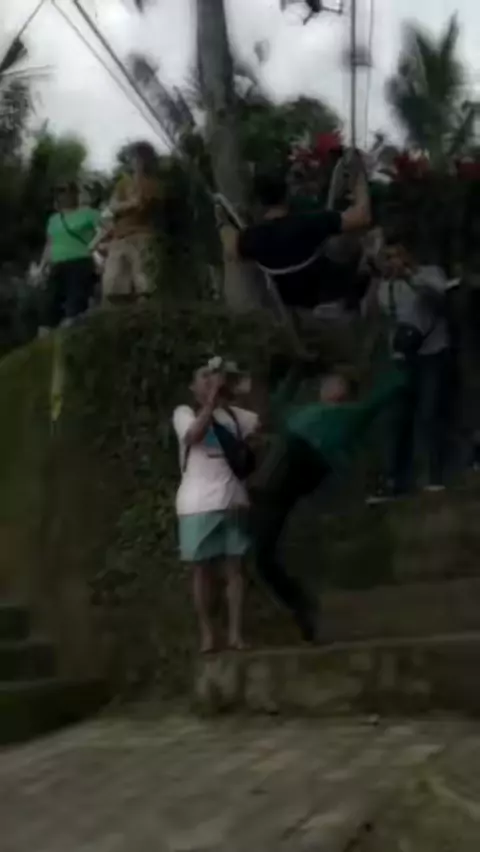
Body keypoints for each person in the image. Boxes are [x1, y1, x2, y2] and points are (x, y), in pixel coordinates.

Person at [251, 362, 406, 642]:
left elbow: (383, 395)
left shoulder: (351, 414)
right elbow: (279, 405)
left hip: (309, 463)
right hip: (279, 480)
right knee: (261, 556)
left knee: (289, 445)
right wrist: (296, 372)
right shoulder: (301, 413)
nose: (326, 386)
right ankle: (301, 606)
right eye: (325, 382)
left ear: (346, 392)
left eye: (334, 382)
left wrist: (404, 366)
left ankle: (259, 486)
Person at [173, 359, 259, 653]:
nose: (211, 380)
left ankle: (236, 634)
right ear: (192, 386)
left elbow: (259, 425)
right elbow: (193, 435)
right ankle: (207, 634)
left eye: (214, 376)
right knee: (202, 571)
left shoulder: (235, 415)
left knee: (235, 569)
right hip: (197, 503)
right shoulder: (183, 413)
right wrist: (211, 401)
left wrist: (234, 385)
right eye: (204, 377)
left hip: (233, 501)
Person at [368, 236, 455, 500]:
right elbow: (385, 320)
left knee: (430, 413)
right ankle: (397, 478)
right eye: (387, 257)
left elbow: (439, 297)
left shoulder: (429, 273)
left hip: (433, 352)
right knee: (400, 417)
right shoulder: (384, 286)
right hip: (404, 357)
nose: (392, 262)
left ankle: (435, 474)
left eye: (396, 255)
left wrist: (409, 276)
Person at [220, 165, 370, 311]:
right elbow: (362, 217)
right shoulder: (310, 222)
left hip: (291, 300)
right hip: (332, 290)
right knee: (360, 241)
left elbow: (230, 248)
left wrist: (223, 223)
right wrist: (361, 182)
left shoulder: (255, 237)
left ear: (258, 202)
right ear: (287, 195)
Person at [102, 142, 163, 304]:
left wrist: (125, 205)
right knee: (114, 287)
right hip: (120, 237)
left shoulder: (154, 183)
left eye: (135, 157)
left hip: (142, 236)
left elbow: (141, 204)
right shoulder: (124, 183)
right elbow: (112, 206)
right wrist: (129, 204)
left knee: (144, 287)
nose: (132, 161)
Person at [37, 182, 101, 332]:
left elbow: (106, 230)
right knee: (50, 304)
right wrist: (42, 267)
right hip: (57, 264)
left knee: (76, 302)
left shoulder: (89, 214)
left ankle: (74, 333)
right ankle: (48, 334)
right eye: (60, 193)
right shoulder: (54, 220)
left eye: (66, 192)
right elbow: (49, 244)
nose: (63, 196)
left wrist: (94, 245)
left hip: (80, 262)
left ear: (75, 194)